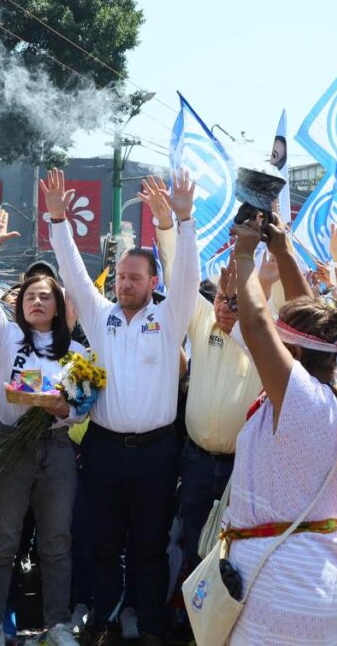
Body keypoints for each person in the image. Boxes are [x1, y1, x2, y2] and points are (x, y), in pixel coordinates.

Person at [45, 167, 198, 644]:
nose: (125, 284)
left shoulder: (171, 318)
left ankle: (148, 622)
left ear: (154, 281)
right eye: (122, 277)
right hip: (105, 449)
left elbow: (188, 276)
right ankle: (107, 618)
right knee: (104, 542)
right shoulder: (99, 314)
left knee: (150, 545)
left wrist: (180, 221)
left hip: (156, 453)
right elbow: (70, 269)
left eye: (136, 277)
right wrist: (57, 221)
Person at [214, 210, 337, 645]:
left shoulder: (302, 397)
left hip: (284, 579)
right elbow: (310, 318)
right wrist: (281, 250)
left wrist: (245, 255)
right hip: (313, 573)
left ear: (293, 356)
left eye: (283, 345)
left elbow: (259, 324)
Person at [0, 207, 87, 646]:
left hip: (56, 453)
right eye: (30, 296)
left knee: (56, 541)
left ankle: (57, 625)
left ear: (59, 306)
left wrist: (65, 411)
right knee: (1, 540)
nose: (37, 302)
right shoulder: (6, 336)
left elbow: (83, 404)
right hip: (8, 446)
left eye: (46, 296)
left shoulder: (74, 351)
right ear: (19, 303)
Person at [142, 178, 261, 565]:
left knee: (237, 555)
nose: (228, 304)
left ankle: (229, 628)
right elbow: (179, 277)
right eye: (224, 297)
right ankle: (192, 625)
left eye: (238, 297)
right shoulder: (202, 318)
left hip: (244, 466)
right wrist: (171, 222)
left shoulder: (266, 335)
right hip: (195, 462)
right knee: (195, 547)